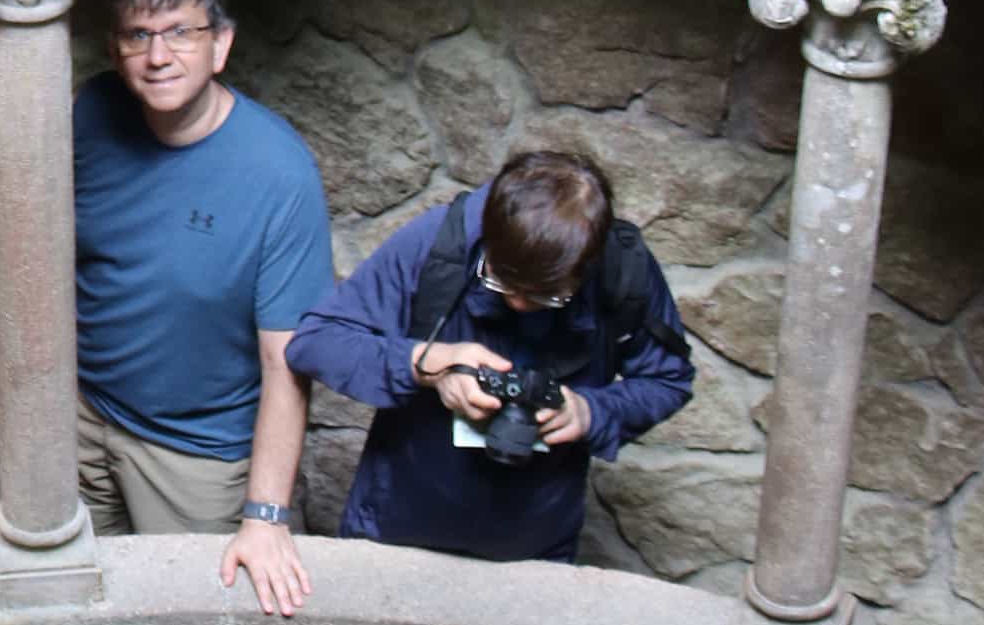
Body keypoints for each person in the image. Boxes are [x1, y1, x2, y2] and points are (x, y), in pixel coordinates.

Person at [70, 0, 331, 618]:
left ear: (220, 46)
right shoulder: (93, 114)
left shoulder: (277, 173)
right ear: (116, 49)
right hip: (83, 418)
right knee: (78, 608)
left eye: (181, 32)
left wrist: (265, 516)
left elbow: (286, 361)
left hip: (196, 454)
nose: (158, 56)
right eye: (139, 36)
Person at [285, 146, 692, 565]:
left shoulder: (622, 272)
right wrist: (427, 365)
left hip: (536, 545)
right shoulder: (440, 243)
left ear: (585, 268)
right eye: (501, 283)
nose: (517, 304)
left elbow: (668, 381)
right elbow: (316, 342)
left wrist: (591, 412)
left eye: (544, 295)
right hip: (395, 525)